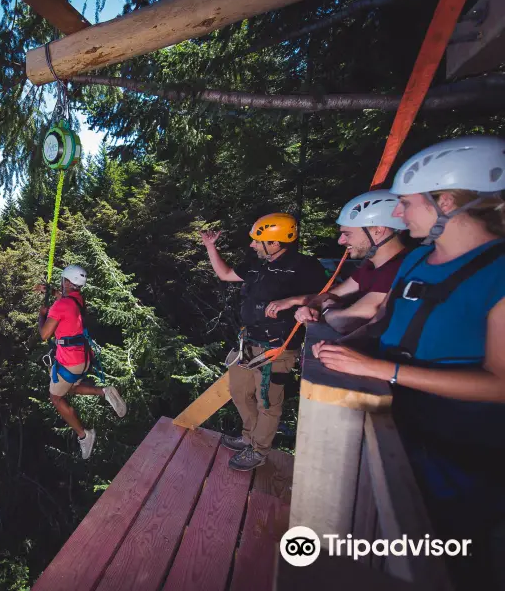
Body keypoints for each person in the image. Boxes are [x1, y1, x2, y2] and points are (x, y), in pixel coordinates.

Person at [312, 136, 505, 590]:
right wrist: (348, 349)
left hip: (462, 444)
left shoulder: (498, 273)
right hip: (398, 419)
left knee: (448, 554)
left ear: (448, 202)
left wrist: (381, 370)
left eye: (406, 203)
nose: (397, 215)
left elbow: (500, 384)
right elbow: (384, 319)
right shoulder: (417, 258)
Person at [200, 213, 328, 471]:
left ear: (277, 242)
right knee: (238, 390)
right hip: (248, 341)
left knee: (267, 401)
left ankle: (258, 450)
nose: (253, 245)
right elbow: (225, 274)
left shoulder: (305, 267)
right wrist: (210, 247)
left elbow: (325, 297)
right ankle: (248, 435)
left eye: (259, 241)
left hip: (278, 346)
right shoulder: (257, 264)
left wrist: (292, 301)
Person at [266, 190, 409, 333]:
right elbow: (331, 294)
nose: (341, 241)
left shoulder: (401, 268)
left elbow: (345, 321)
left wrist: (326, 307)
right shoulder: (370, 267)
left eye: (347, 234)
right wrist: (311, 305)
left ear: (378, 230)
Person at [36, 265, 127, 460]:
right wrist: (50, 291)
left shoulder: (60, 306)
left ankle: (84, 435)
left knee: (56, 399)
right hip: (83, 359)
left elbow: (44, 334)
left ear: (68, 283)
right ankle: (104, 391)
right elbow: (64, 297)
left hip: (69, 361)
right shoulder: (77, 299)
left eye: (63, 281)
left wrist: (41, 315)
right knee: (69, 389)